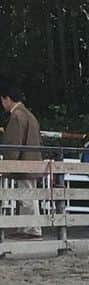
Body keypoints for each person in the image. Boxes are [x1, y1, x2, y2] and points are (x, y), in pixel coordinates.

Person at [0, 86, 42, 239]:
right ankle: (27, 227)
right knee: (28, 195)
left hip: (24, 162)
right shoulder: (29, 115)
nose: (2, 104)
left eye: (2, 101)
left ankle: (32, 229)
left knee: (26, 197)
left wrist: (7, 165)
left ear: (8, 99)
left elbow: (13, 143)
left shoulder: (17, 116)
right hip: (32, 160)